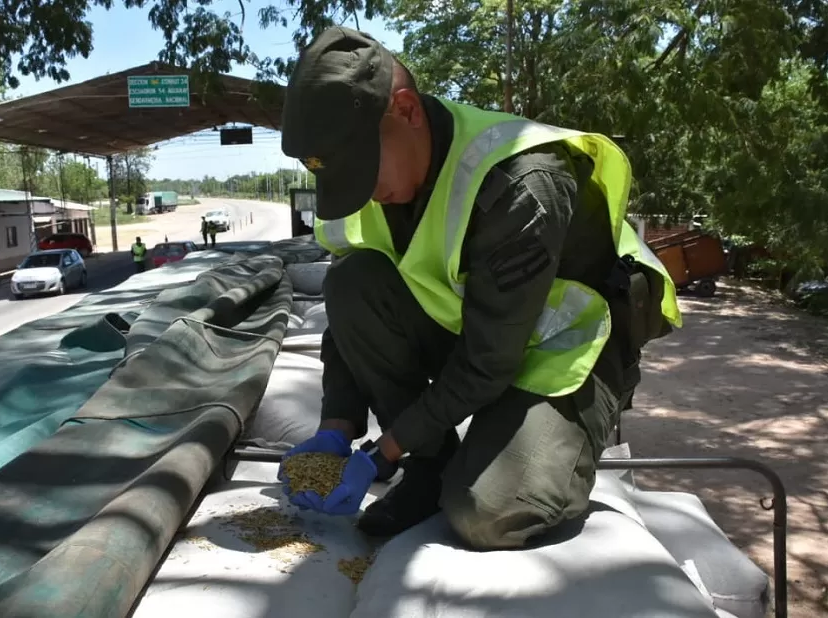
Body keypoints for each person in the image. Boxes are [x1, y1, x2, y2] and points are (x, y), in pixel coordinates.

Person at [276, 26, 682, 550]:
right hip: (479, 332)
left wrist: (384, 453)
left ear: (406, 110)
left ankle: (487, 454)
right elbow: (352, 309)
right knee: (353, 279)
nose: (364, 192)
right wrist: (337, 424)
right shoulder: (384, 184)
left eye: (364, 167)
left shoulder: (521, 183)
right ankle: (431, 465)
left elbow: (488, 363)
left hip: (567, 353)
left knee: (486, 513)